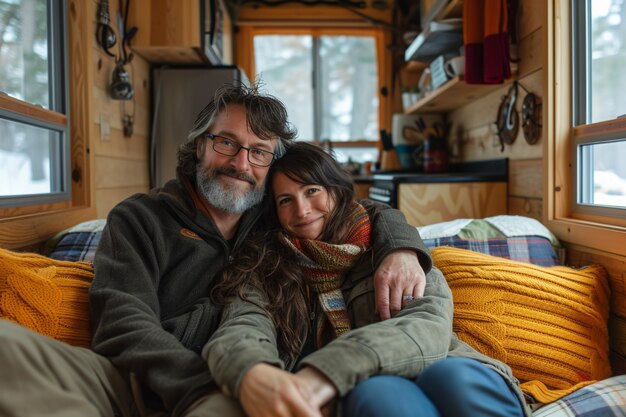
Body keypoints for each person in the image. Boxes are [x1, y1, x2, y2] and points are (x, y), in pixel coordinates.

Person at [0, 83, 427, 417]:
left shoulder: (275, 219)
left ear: (270, 167)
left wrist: (402, 248)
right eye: (226, 142)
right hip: (134, 381)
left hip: (238, 390)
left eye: (258, 152)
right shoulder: (141, 217)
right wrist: (213, 381)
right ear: (199, 145)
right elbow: (121, 323)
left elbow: (356, 207)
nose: (241, 163)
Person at [203, 141, 532, 417]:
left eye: (312, 190)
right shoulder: (267, 267)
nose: (302, 210)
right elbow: (239, 328)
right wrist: (254, 373)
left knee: (450, 377)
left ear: (336, 190)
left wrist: (323, 372)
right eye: (286, 200)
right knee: (376, 395)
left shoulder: (393, 248)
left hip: (447, 368)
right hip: (364, 391)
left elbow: (427, 327)